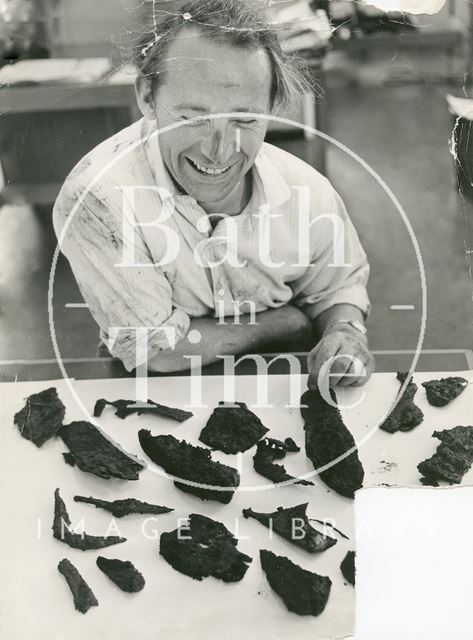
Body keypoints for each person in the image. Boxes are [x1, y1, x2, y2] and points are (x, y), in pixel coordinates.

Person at [53, 0, 375, 388]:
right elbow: (153, 348)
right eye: (192, 117)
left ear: (273, 108)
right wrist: (283, 324)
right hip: (153, 385)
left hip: (284, 378)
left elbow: (339, 287)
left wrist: (345, 329)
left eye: (244, 119)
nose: (218, 151)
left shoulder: (309, 192)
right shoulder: (98, 200)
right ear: (147, 97)